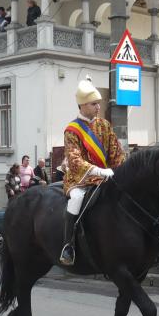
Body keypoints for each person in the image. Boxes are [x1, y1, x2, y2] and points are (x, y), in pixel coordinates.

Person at [60, 76, 125, 265]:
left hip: (106, 177)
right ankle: (68, 245)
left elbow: (116, 153)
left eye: (98, 104)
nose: (98, 107)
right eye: (94, 104)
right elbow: (74, 159)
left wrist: (119, 169)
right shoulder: (72, 130)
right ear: (82, 105)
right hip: (80, 179)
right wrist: (97, 171)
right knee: (77, 199)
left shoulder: (104, 125)